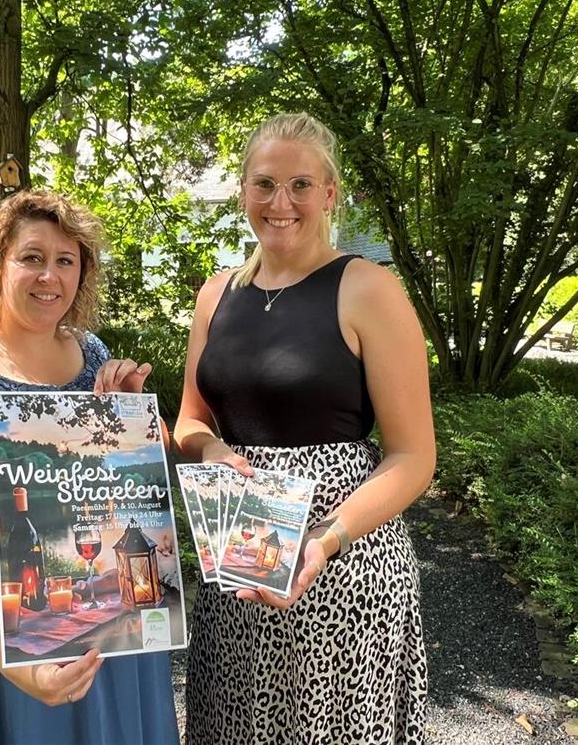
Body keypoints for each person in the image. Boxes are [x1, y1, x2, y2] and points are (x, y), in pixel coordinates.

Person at [175, 113, 434, 744]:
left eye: (299, 185)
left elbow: (413, 456)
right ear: (243, 192)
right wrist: (209, 449)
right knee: (234, 724)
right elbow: (188, 419)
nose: (280, 203)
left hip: (343, 568)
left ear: (329, 194)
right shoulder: (215, 296)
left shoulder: (369, 289)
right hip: (237, 559)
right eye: (264, 184)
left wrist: (324, 539)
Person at [0, 190, 180, 745]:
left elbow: (139, 478)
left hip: (110, 613)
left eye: (65, 261)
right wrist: (12, 660)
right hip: (7, 612)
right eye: (32, 257)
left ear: (82, 273)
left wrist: (134, 414)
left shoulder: (94, 351)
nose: (49, 276)